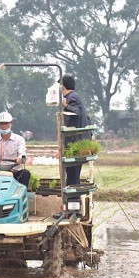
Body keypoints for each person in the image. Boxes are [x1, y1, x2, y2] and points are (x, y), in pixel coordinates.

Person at [55, 74, 91, 218]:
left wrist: (65, 105)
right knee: (71, 177)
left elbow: (77, 113)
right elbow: (86, 117)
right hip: (73, 143)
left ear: (63, 87)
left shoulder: (72, 98)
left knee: (73, 177)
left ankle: (72, 210)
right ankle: (70, 209)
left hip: (75, 144)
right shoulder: (75, 97)